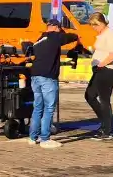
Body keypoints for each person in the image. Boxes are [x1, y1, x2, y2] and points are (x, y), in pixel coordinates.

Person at [27, 18, 79, 149]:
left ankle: (33, 137)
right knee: (49, 108)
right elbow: (71, 37)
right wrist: (75, 36)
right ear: (56, 27)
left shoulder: (40, 39)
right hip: (48, 77)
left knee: (38, 107)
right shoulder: (55, 37)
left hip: (35, 76)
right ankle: (45, 139)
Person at [84, 12, 113, 140]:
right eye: (92, 25)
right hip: (99, 69)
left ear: (102, 23)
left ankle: (107, 130)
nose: (94, 28)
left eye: (95, 25)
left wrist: (101, 64)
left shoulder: (109, 34)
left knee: (104, 99)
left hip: (106, 69)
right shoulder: (102, 34)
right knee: (90, 95)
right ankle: (104, 123)